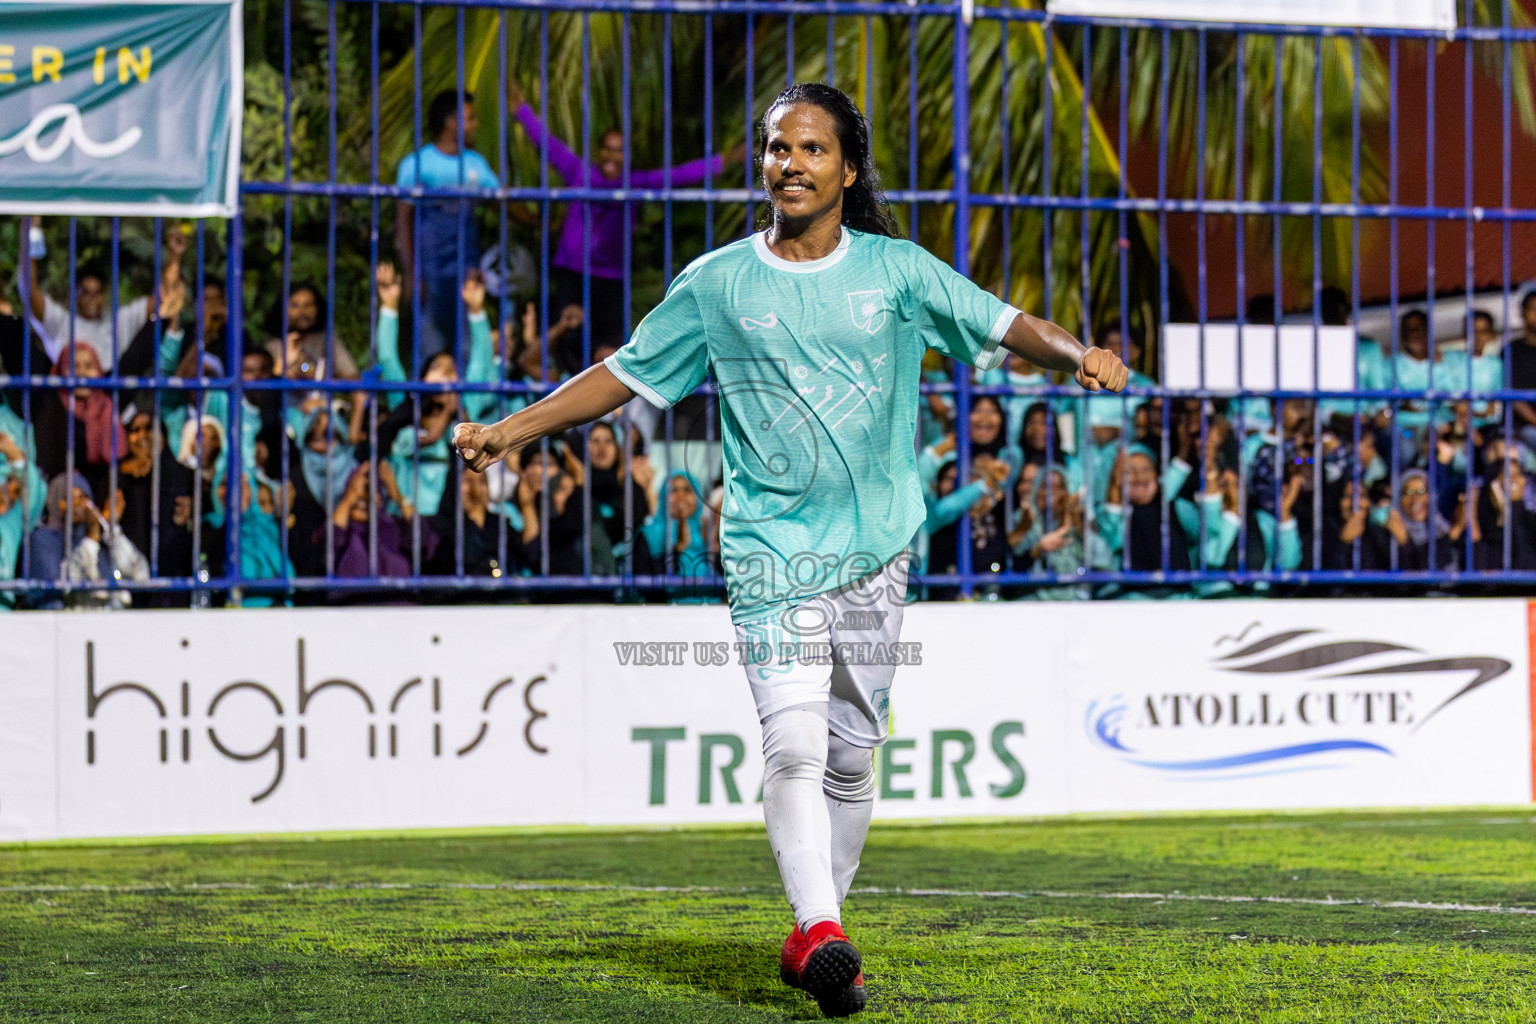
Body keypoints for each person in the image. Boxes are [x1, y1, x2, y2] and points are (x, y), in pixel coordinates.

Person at [451, 82, 1127, 1016]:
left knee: (853, 755)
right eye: (778, 148)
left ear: (848, 170)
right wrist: (512, 430)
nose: (791, 163)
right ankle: (821, 928)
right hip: (770, 552)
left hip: (878, 550)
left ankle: (815, 930)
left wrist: (1080, 353)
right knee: (796, 741)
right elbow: (622, 375)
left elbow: (1005, 323)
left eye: (812, 148)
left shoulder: (897, 271)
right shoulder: (718, 282)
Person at [508, 80, 749, 345]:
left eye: (619, 151)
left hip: (611, 278)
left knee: (608, 348)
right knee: (570, 339)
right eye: (608, 149)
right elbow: (549, 145)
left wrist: (724, 160)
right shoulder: (580, 173)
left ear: (627, 155)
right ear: (599, 151)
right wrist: (522, 111)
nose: (612, 156)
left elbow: (677, 176)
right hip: (573, 273)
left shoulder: (634, 183)